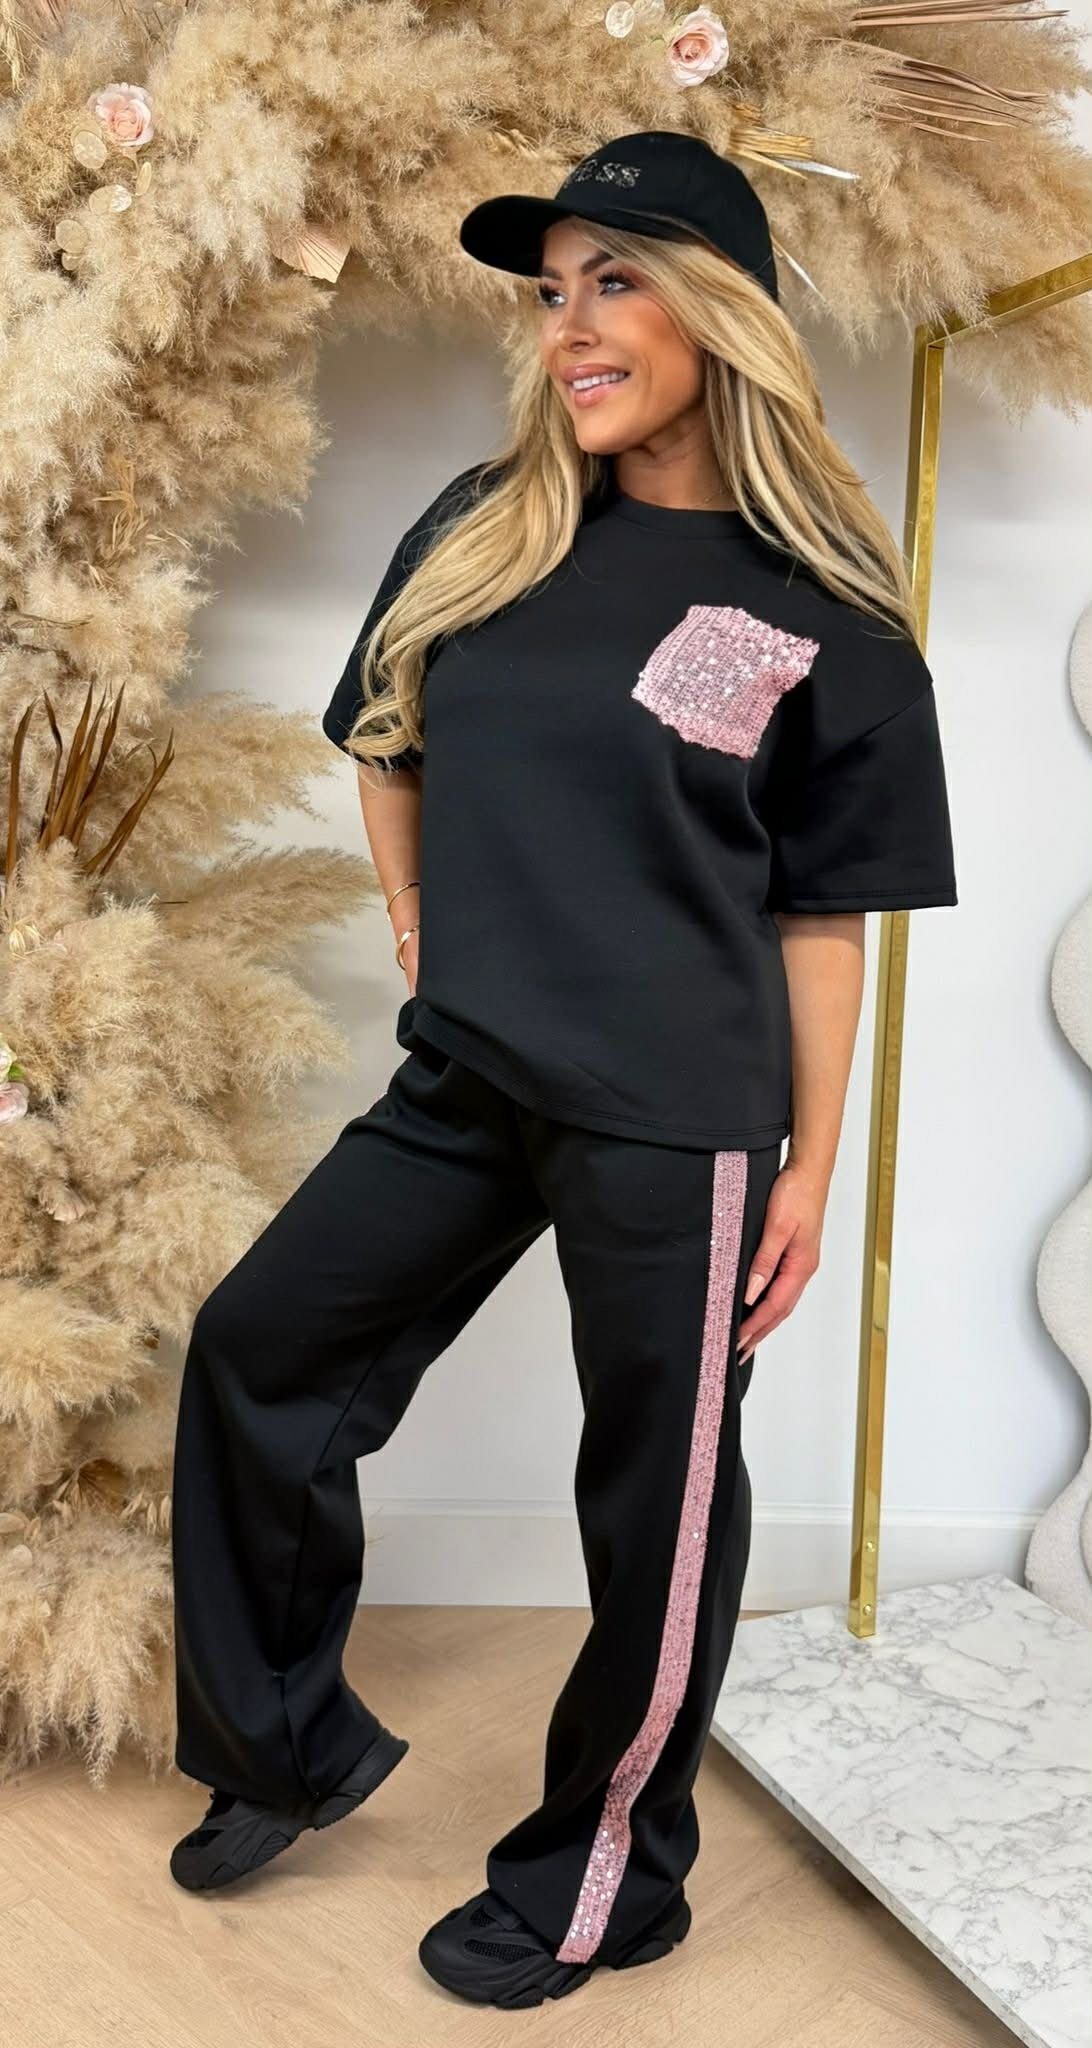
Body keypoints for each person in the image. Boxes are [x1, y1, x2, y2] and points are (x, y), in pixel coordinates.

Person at [168, 129, 958, 2010]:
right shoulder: (487, 522)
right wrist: (416, 915)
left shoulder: (823, 611)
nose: (570, 328)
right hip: (468, 1074)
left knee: (654, 1513)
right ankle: (283, 1743)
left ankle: (609, 1879)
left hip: (678, 1117)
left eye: (616, 282)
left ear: (720, 313)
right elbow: (386, 729)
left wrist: (810, 1166)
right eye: (551, 292)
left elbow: (825, 921)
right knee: (260, 1354)